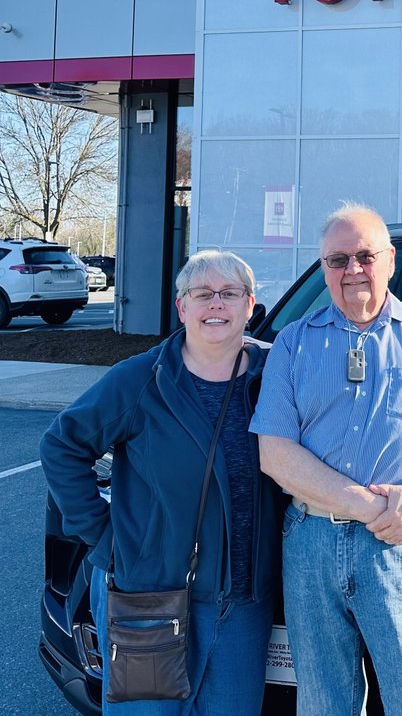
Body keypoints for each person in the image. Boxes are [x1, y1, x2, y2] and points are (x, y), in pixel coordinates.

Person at [251, 203, 402, 716]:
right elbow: (274, 451)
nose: (352, 270)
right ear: (323, 270)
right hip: (312, 544)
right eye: (337, 260)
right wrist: (368, 506)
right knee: (323, 703)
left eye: (364, 256)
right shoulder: (293, 343)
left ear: (390, 261)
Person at [41, 250, 280, 715]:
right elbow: (62, 445)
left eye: (229, 294)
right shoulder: (142, 378)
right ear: (182, 306)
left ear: (250, 305)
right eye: (202, 294)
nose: (216, 304)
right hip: (149, 597)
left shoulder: (276, 375)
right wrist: (105, 536)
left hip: (243, 606)